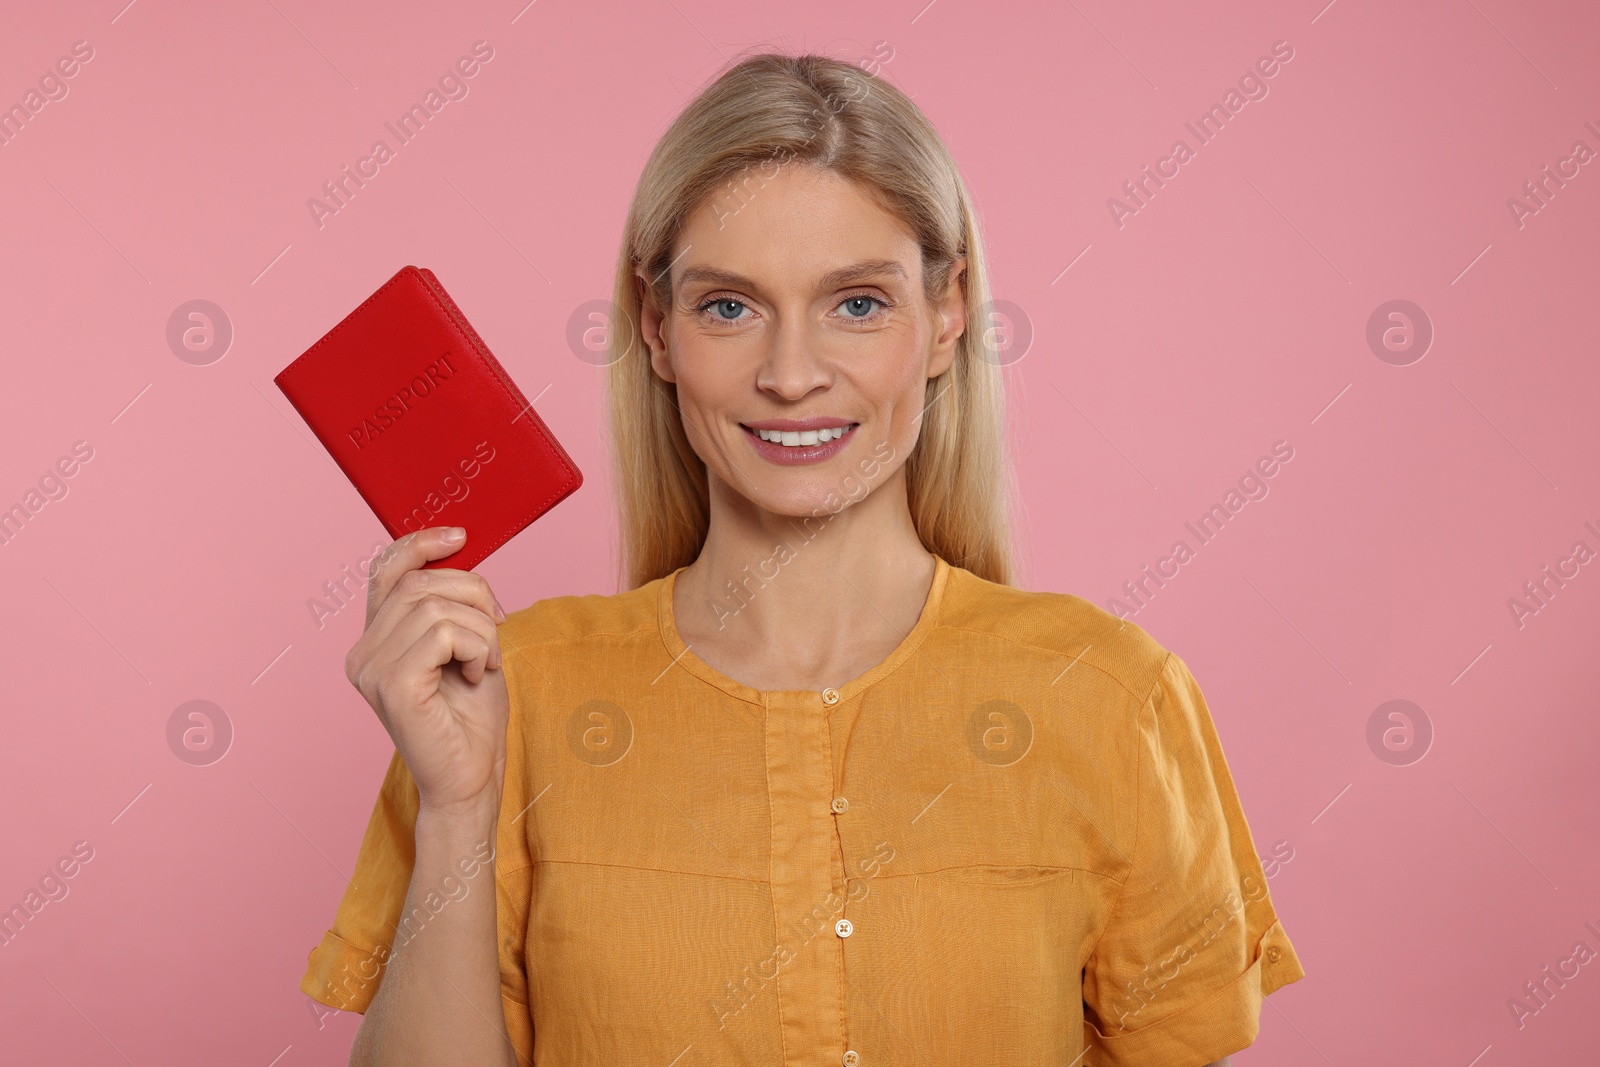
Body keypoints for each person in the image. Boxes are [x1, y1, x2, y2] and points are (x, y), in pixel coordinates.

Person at [299, 50, 1304, 1067]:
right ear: (657, 330)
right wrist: (459, 802)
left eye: (856, 303)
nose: (788, 374)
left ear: (947, 315)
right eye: (728, 307)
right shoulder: (510, 692)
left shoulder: (1110, 694)